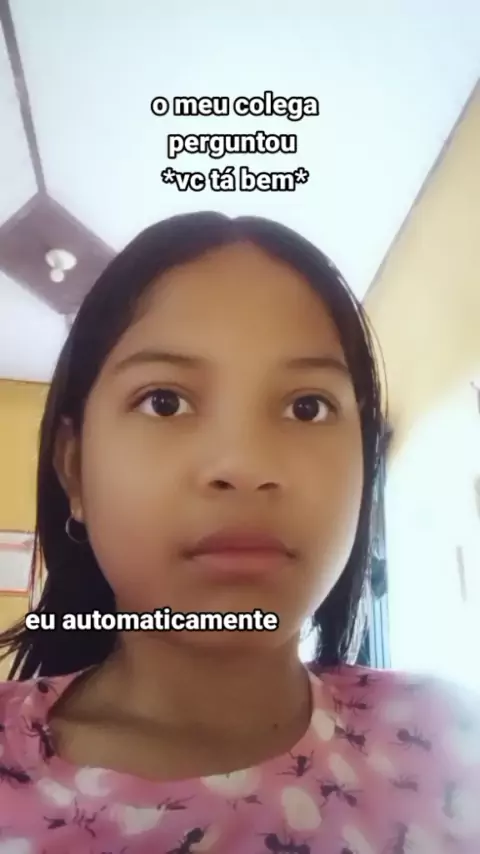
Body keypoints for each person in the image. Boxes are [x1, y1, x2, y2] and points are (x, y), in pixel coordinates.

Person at [0, 212, 478, 853]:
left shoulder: (450, 739)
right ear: (74, 468)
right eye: (165, 401)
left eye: (307, 406)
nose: (245, 465)